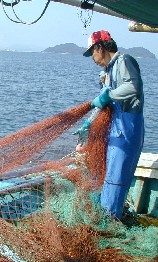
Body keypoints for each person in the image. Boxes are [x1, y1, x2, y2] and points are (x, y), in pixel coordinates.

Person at [75, 30, 144, 221]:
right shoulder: (105, 73)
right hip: (114, 130)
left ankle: (110, 221)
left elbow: (133, 87)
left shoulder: (124, 61)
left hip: (128, 129)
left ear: (100, 47)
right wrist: (88, 123)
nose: (92, 58)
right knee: (108, 175)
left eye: (92, 53)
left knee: (117, 178)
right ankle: (106, 214)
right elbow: (103, 104)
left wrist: (108, 95)